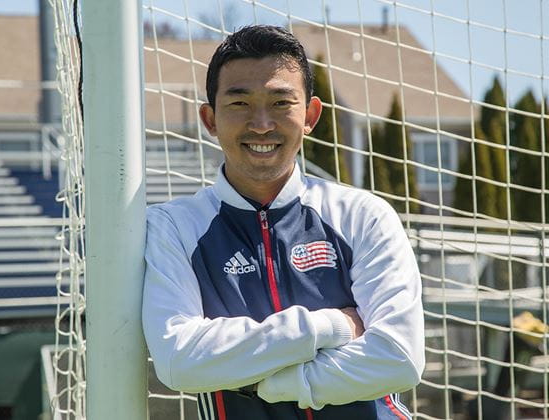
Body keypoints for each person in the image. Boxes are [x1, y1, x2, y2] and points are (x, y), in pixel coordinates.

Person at [143, 25, 425, 419]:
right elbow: (179, 361)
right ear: (210, 119)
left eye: (280, 103)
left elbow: (398, 357)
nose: (261, 124)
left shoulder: (364, 216)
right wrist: (329, 326)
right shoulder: (174, 227)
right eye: (240, 104)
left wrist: (274, 385)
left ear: (310, 115)